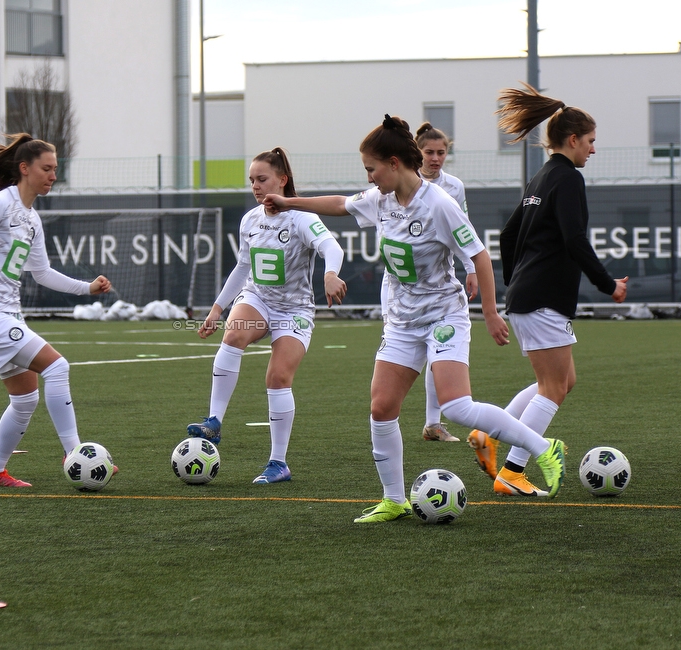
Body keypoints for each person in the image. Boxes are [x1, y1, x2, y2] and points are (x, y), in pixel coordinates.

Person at [265, 115, 567, 522]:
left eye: (371, 169)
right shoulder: (380, 200)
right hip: (402, 322)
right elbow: (339, 204)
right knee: (381, 406)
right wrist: (288, 202)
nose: (369, 178)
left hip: (444, 314)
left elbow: (477, 255)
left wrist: (491, 313)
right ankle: (394, 499)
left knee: (456, 406)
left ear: (393, 163)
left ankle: (544, 449)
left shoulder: (440, 204)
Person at [467, 84, 628, 497]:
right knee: (553, 388)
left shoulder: (541, 176)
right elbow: (575, 239)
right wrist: (608, 285)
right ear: (573, 140)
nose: (593, 149)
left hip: (529, 296)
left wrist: (516, 282)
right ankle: (513, 472)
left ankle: (490, 433)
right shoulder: (568, 179)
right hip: (542, 300)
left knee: (562, 380)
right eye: (590, 141)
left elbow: (507, 234)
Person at [0, 133, 113, 487]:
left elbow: (42, 273)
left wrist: (87, 288)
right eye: (47, 168)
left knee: (25, 399)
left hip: (6, 315)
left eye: (56, 169)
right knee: (57, 366)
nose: (53, 175)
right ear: (25, 169)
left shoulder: (32, 219)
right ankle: (75, 452)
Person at [187, 147, 347, 484]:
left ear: (282, 179)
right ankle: (213, 422)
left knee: (277, 378)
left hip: (294, 310)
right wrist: (217, 308)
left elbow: (333, 247)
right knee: (233, 335)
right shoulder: (250, 220)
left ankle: (278, 463)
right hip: (258, 299)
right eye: (252, 180)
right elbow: (242, 268)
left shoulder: (302, 217)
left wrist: (331, 274)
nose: (256, 186)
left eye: (262, 179)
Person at [416, 122, 477, 443]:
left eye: (442, 152)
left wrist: (471, 268)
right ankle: (385, 421)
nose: (436, 158)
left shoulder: (454, 186)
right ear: (417, 152)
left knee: (437, 348)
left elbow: (463, 231)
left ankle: (432, 424)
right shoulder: (399, 184)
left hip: (441, 282)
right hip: (406, 288)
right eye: (429, 152)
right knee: (414, 354)